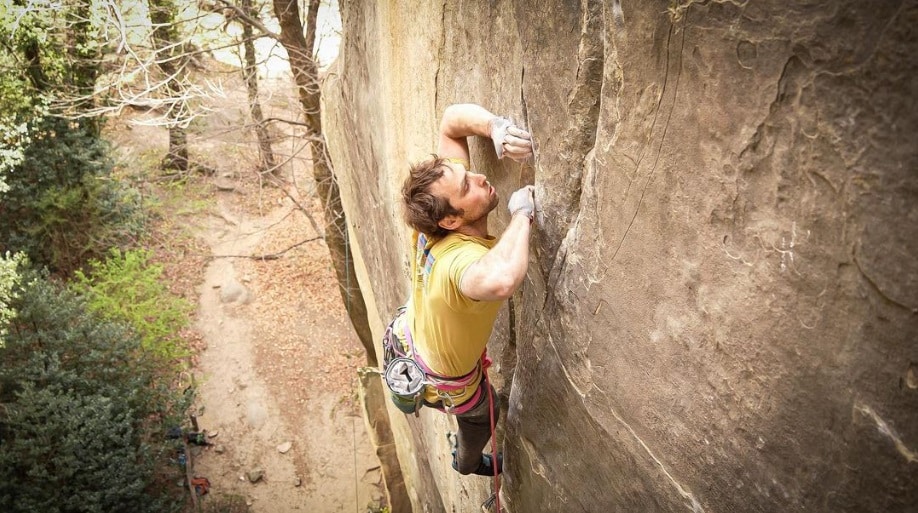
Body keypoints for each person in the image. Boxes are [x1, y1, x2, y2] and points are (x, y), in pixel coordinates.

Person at [396, 103, 535, 477]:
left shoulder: (433, 219)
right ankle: (467, 462)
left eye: (467, 173)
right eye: (466, 185)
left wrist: (495, 127)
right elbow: (501, 279)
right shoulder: (456, 263)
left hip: (410, 337)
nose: (479, 176)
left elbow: (450, 122)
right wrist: (522, 214)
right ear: (450, 220)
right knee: (484, 413)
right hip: (446, 378)